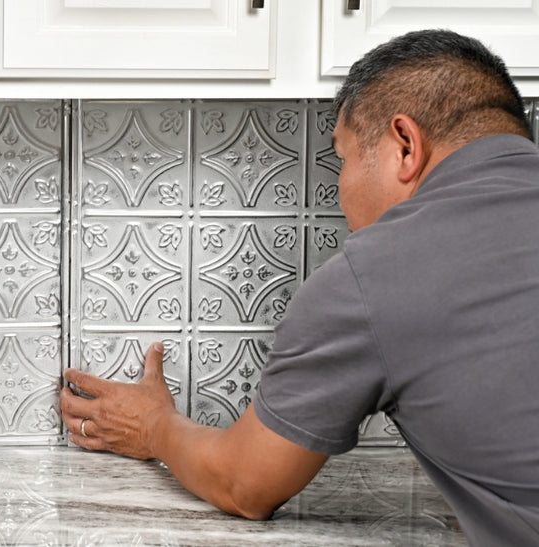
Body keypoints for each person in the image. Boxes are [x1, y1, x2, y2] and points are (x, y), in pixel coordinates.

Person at [60, 29, 539, 546]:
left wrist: (152, 425)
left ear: (405, 144)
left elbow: (245, 484)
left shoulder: (377, 272)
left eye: (344, 159)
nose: (341, 189)